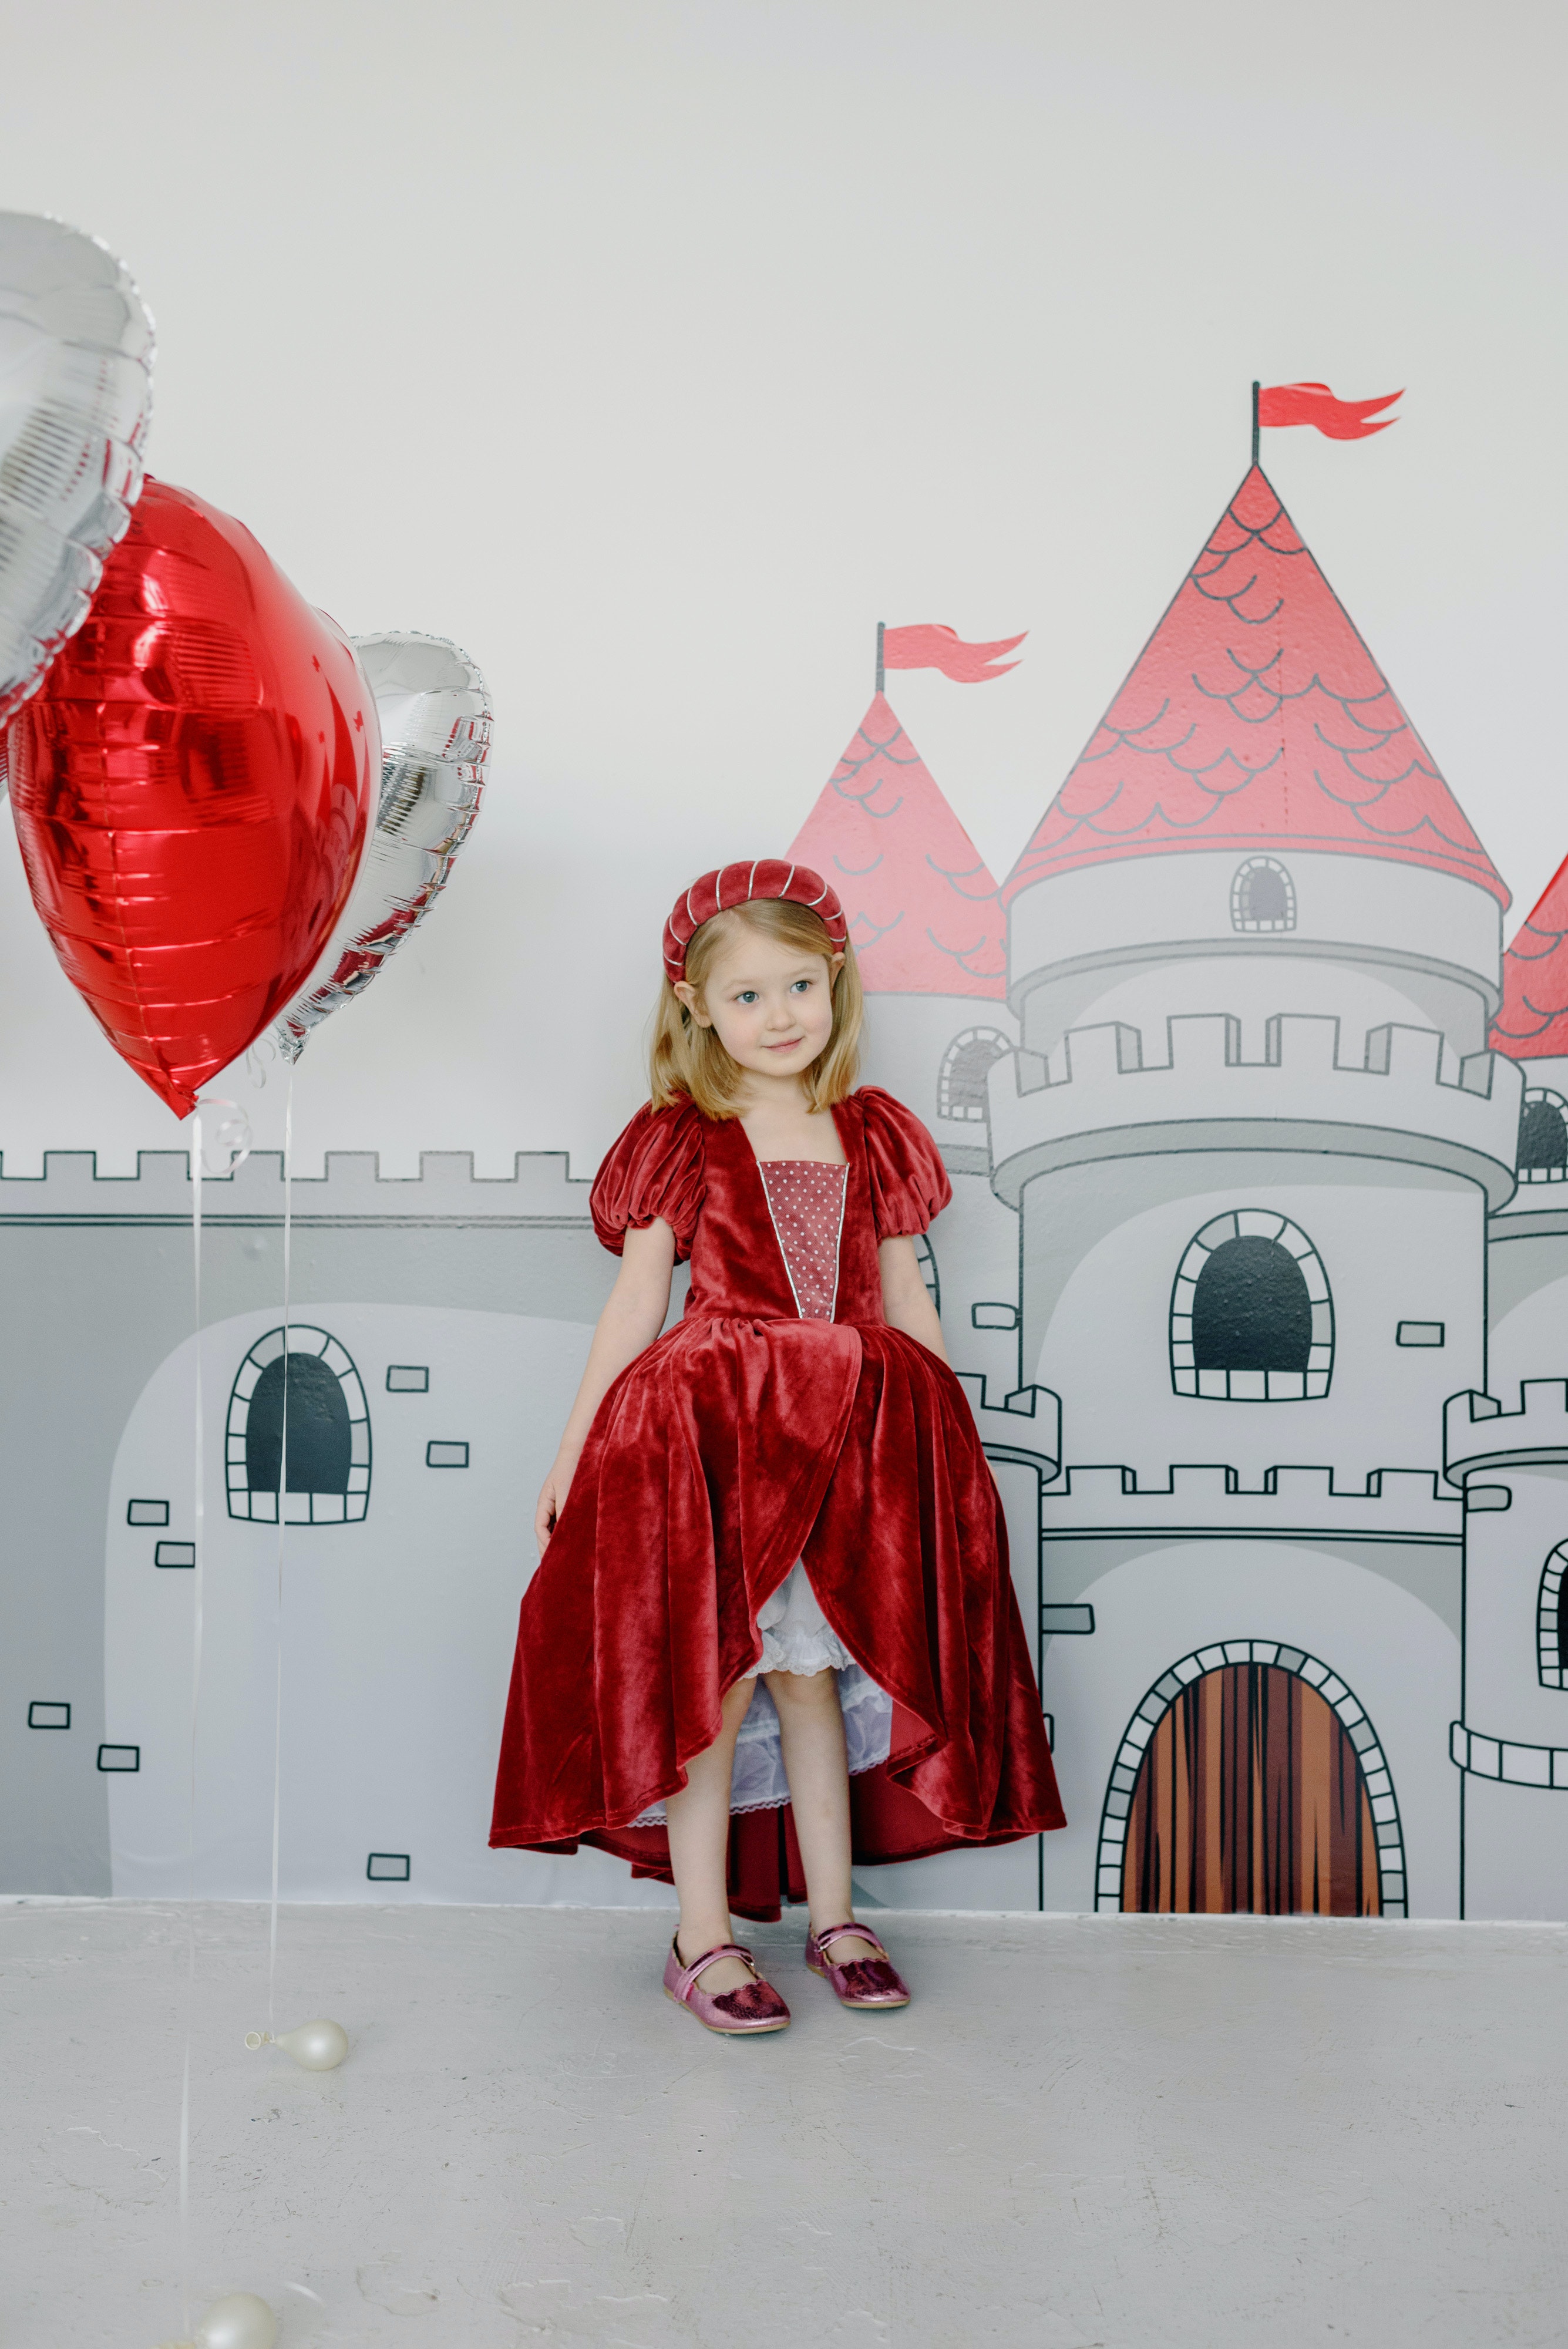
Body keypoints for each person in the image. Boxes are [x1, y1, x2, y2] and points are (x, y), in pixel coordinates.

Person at [490, 861, 1064, 2034]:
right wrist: (573, 1449)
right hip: (721, 1442)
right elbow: (634, 1304)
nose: (780, 1013)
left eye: (799, 983)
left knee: (816, 1675)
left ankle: (836, 1915)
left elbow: (908, 1296)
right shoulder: (681, 1137)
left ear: (835, 982)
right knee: (718, 1681)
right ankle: (703, 1936)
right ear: (697, 1006)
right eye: (746, 995)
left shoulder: (874, 1130)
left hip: (856, 1435)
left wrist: (947, 1441)